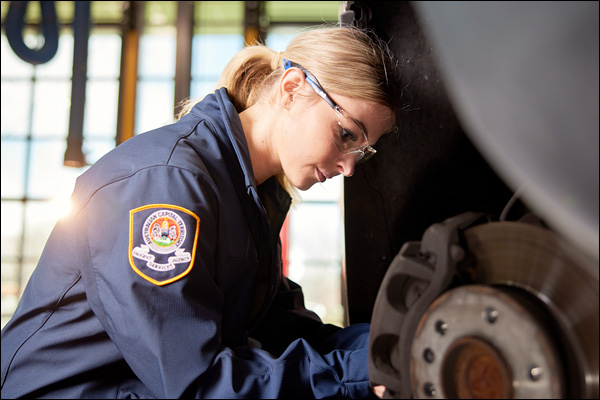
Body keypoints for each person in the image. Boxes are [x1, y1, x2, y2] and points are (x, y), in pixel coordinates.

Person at [1, 25, 398, 399]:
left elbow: (281, 328)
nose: (348, 167)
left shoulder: (248, 198)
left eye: (361, 151)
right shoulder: (166, 186)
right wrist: (362, 377)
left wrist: (397, 348)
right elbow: (197, 382)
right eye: (347, 134)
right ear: (292, 90)